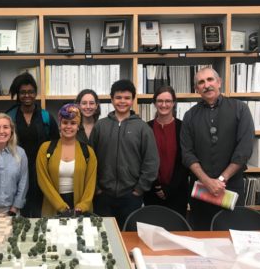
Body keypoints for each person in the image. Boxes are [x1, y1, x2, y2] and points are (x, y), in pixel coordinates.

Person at [180, 67, 255, 230]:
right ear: (197, 89)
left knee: (231, 234)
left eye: (210, 79)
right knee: (201, 236)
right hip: (201, 189)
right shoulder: (190, 115)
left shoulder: (240, 108)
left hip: (230, 187)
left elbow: (244, 149)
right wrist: (207, 182)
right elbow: (187, 153)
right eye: (201, 82)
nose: (206, 85)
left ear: (219, 82)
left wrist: (221, 180)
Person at [90, 79, 159, 229]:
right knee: (104, 235)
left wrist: (139, 189)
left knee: (128, 236)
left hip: (131, 196)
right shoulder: (100, 126)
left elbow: (151, 161)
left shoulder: (143, 128)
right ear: (112, 99)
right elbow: (90, 159)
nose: (122, 101)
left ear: (133, 100)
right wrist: (96, 188)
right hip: (103, 195)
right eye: (118, 97)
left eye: (127, 98)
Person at [6, 72, 59, 217]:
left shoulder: (46, 117)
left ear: (36, 93)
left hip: (41, 172)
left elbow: (56, 144)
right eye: (23, 92)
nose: (27, 95)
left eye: (30, 92)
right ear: (18, 94)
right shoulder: (9, 117)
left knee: (39, 211)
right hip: (16, 171)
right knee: (19, 210)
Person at [36, 104, 97, 216]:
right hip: (53, 206)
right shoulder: (45, 148)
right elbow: (43, 180)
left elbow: (91, 183)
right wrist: (60, 206)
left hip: (80, 209)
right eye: (65, 122)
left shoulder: (88, 152)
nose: (68, 126)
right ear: (60, 125)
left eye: (73, 123)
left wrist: (82, 206)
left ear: (78, 126)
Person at [144, 86, 189, 217]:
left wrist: (170, 188)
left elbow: (186, 160)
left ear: (174, 103)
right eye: (160, 101)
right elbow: (144, 160)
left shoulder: (184, 128)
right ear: (154, 103)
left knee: (176, 227)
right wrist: (156, 186)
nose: (164, 105)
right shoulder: (146, 128)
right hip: (151, 192)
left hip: (178, 192)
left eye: (168, 101)